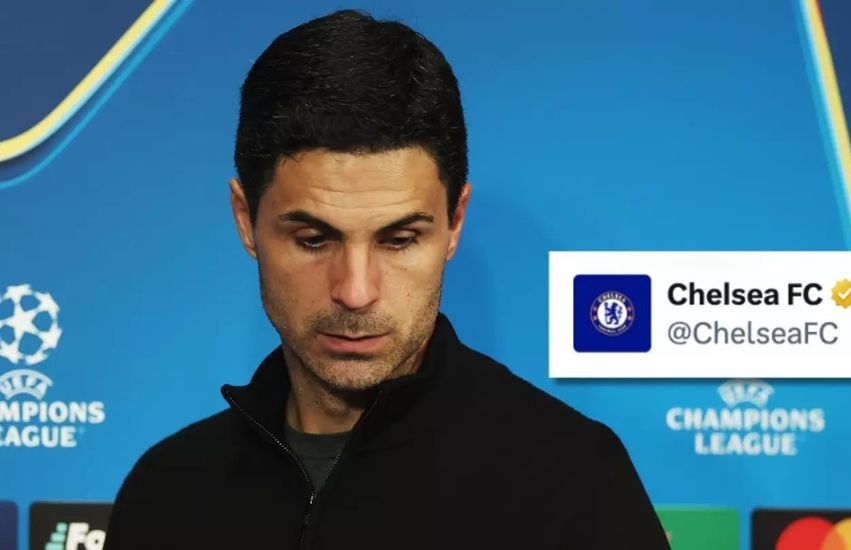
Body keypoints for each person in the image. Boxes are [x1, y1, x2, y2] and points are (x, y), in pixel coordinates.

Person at [105, 9, 669, 549]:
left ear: (455, 223)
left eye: (399, 240)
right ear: (244, 220)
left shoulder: (574, 482)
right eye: (313, 239)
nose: (356, 291)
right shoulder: (168, 490)